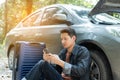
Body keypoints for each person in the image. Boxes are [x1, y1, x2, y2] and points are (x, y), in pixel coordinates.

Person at [22, 28, 91, 80]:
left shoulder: (83, 51)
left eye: (65, 39)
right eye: (61, 39)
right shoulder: (63, 52)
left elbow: (80, 71)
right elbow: (56, 70)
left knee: (42, 64)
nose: (63, 41)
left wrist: (59, 61)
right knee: (43, 63)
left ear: (73, 38)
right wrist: (49, 60)